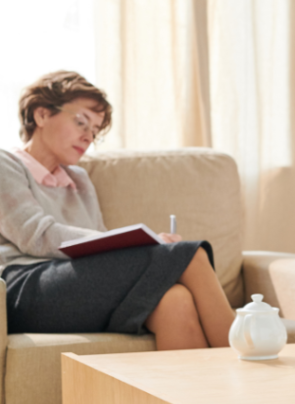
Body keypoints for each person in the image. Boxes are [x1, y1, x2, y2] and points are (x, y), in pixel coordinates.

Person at [0, 71, 235, 350]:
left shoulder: (80, 180)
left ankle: (194, 394)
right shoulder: (6, 165)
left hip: (75, 283)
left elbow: (96, 245)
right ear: (41, 115)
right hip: (24, 287)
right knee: (189, 255)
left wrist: (140, 246)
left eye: (95, 131)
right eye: (81, 122)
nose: (88, 137)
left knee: (176, 299)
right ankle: (249, 365)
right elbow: (36, 236)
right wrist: (148, 248)